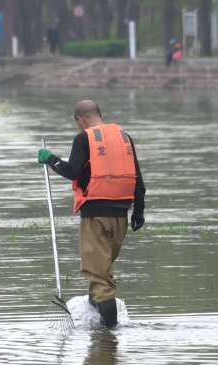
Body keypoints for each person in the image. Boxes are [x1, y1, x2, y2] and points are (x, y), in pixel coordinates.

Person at [37, 100, 146, 329]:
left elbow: (72, 171)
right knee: (102, 272)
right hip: (121, 217)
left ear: (81, 119)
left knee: (100, 280)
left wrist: (50, 159)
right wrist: (139, 211)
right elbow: (138, 178)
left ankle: (109, 338)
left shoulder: (83, 137)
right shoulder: (124, 136)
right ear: (99, 114)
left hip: (95, 216)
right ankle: (96, 312)